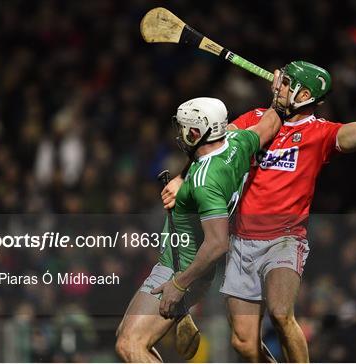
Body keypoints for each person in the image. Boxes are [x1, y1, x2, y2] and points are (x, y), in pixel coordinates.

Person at [161, 38, 356, 362]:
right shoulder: (256, 119)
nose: (277, 85)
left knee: (280, 311)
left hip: (285, 240)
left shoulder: (321, 134)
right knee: (243, 344)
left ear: (305, 96)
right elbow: (212, 148)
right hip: (241, 241)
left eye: (286, 83)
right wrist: (182, 177)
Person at [115, 95, 284, 362]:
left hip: (180, 268)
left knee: (130, 345)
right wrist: (279, 97)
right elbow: (270, 124)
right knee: (128, 338)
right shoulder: (237, 143)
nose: (179, 133)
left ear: (196, 132)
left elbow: (218, 243)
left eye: (183, 128)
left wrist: (179, 285)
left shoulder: (206, 182)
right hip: (180, 265)